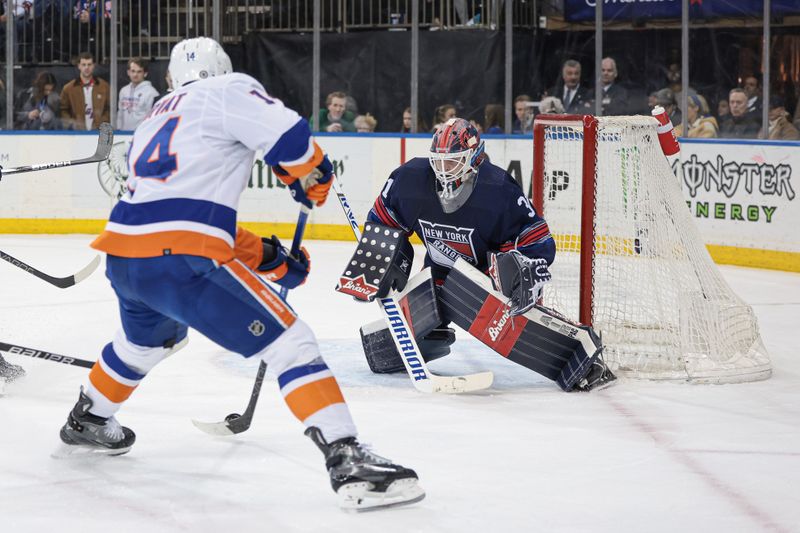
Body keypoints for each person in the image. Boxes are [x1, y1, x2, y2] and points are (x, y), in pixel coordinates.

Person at [56, 37, 424, 511]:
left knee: (143, 344)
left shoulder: (154, 118)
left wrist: (270, 258)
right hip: (182, 258)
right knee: (293, 344)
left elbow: (189, 213)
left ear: (171, 77)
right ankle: (348, 462)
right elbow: (291, 137)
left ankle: (89, 416)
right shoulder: (227, 89)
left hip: (125, 257)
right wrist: (309, 174)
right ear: (222, 68)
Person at [362, 117, 615, 391]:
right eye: (439, 161)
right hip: (435, 277)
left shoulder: (498, 189)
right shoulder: (410, 179)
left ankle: (584, 359)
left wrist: (519, 267)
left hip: (487, 279)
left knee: (501, 323)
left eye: (453, 161)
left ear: (474, 157)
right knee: (382, 350)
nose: (444, 169)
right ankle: (432, 334)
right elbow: (383, 218)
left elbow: (536, 237)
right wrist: (376, 262)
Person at [59, 52, 111, 130]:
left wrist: (102, 123)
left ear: (93, 66)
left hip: (98, 132)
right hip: (77, 134)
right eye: (84, 65)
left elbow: (109, 108)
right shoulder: (68, 88)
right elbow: (63, 110)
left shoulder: (104, 86)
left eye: (89, 64)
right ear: (79, 66)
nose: (86, 67)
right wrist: (72, 124)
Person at [116, 57, 159, 131]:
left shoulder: (152, 93)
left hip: (142, 135)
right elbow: (120, 114)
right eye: (133, 71)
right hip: (123, 135)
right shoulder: (123, 91)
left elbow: (152, 117)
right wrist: (118, 129)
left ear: (145, 73)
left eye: (139, 72)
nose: (135, 74)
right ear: (128, 72)